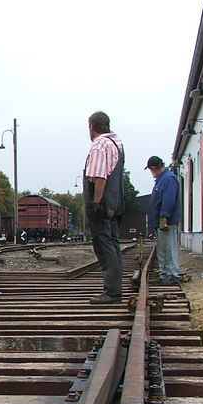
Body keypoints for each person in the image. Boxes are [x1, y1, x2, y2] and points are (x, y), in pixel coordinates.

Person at [83, 111, 125, 304]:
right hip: (114, 204)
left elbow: (100, 176)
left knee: (104, 246)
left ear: (92, 126)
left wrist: (96, 203)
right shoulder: (116, 143)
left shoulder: (100, 144)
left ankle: (112, 292)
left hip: (103, 204)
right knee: (113, 245)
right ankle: (115, 288)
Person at [146, 155, 181, 284]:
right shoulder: (162, 179)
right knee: (163, 248)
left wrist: (164, 217)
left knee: (168, 248)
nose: (151, 173)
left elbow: (169, 199)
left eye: (150, 170)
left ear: (154, 168)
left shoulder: (168, 179)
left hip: (166, 222)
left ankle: (172, 275)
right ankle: (165, 275)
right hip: (160, 222)